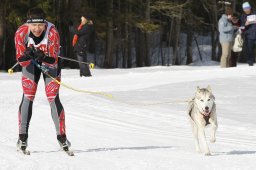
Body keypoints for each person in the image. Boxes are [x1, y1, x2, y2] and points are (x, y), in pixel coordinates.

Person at [15, 7, 71, 152]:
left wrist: (44, 57)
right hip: (30, 65)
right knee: (28, 96)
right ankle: (22, 137)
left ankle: (62, 137)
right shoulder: (21, 33)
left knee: (53, 97)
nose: (37, 28)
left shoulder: (52, 32)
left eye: (40, 25)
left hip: (49, 63)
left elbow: (53, 60)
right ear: (28, 24)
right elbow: (21, 62)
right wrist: (27, 56)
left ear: (45, 23)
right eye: (33, 25)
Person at [241, 1, 256, 66]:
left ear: (250, 8)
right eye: (245, 9)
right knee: (249, 50)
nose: (246, 10)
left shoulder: (255, 13)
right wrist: (245, 24)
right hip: (249, 36)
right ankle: (250, 63)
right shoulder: (243, 16)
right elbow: (241, 27)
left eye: (247, 8)